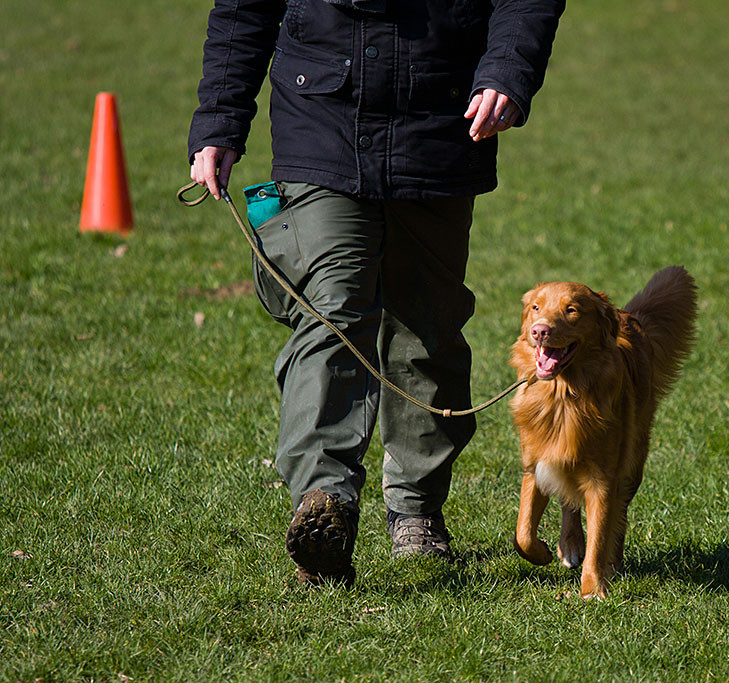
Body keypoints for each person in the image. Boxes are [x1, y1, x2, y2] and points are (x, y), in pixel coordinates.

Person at [187, 0, 564, 586]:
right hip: (321, 119)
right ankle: (323, 504)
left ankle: (415, 509)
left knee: (426, 326)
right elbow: (244, 7)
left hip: (441, 119)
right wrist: (219, 118)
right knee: (332, 309)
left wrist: (507, 71)